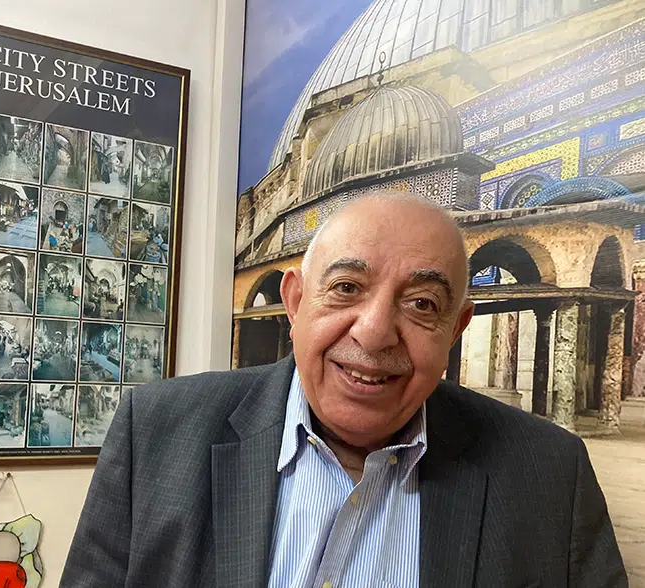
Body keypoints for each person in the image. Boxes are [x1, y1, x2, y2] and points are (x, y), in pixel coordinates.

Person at [60, 192, 628, 587]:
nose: (375, 332)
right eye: (347, 288)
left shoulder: (549, 476)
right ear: (295, 302)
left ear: (455, 329)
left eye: (422, 303)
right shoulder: (156, 435)